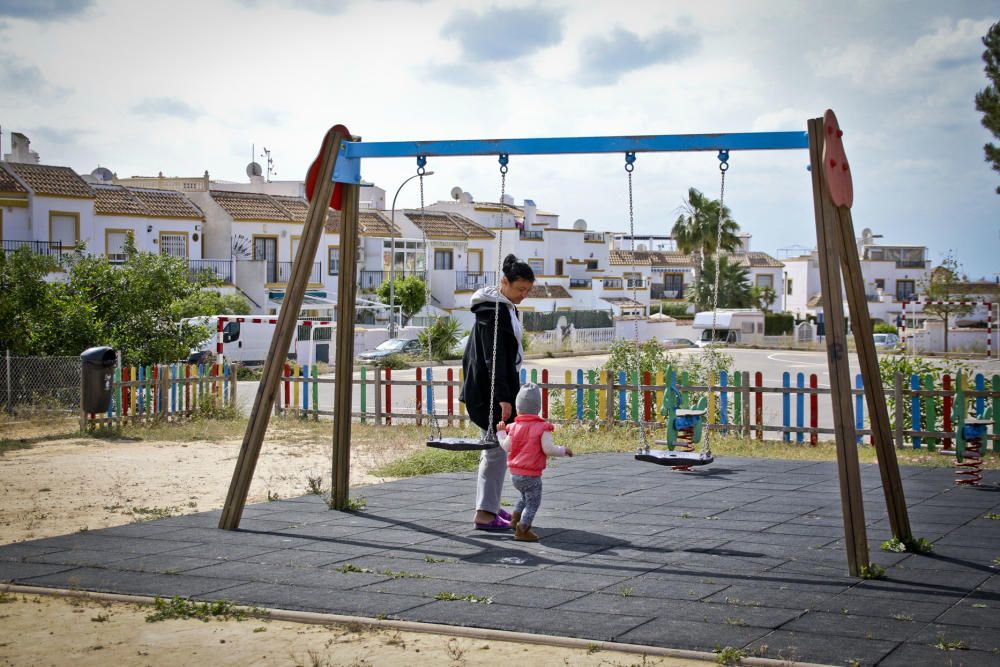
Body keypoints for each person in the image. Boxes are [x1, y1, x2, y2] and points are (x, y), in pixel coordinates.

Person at [460, 254, 535, 531]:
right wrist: (504, 397)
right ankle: (484, 515)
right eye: (519, 289)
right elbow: (495, 359)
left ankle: (488, 507)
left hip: (490, 388)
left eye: (528, 290)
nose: (523, 295)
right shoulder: (492, 312)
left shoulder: (501, 307)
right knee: (495, 452)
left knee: (493, 451)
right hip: (489, 391)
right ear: (504, 282)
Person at [496, 383, 572, 541]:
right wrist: (564, 450)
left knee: (524, 498)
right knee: (533, 502)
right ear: (538, 407)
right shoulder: (542, 427)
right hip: (531, 475)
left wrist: (501, 433)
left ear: (518, 408)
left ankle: (514, 519)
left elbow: (506, 446)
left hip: (515, 475)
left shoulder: (514, 427)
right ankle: (522, 529)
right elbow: (548, 449)